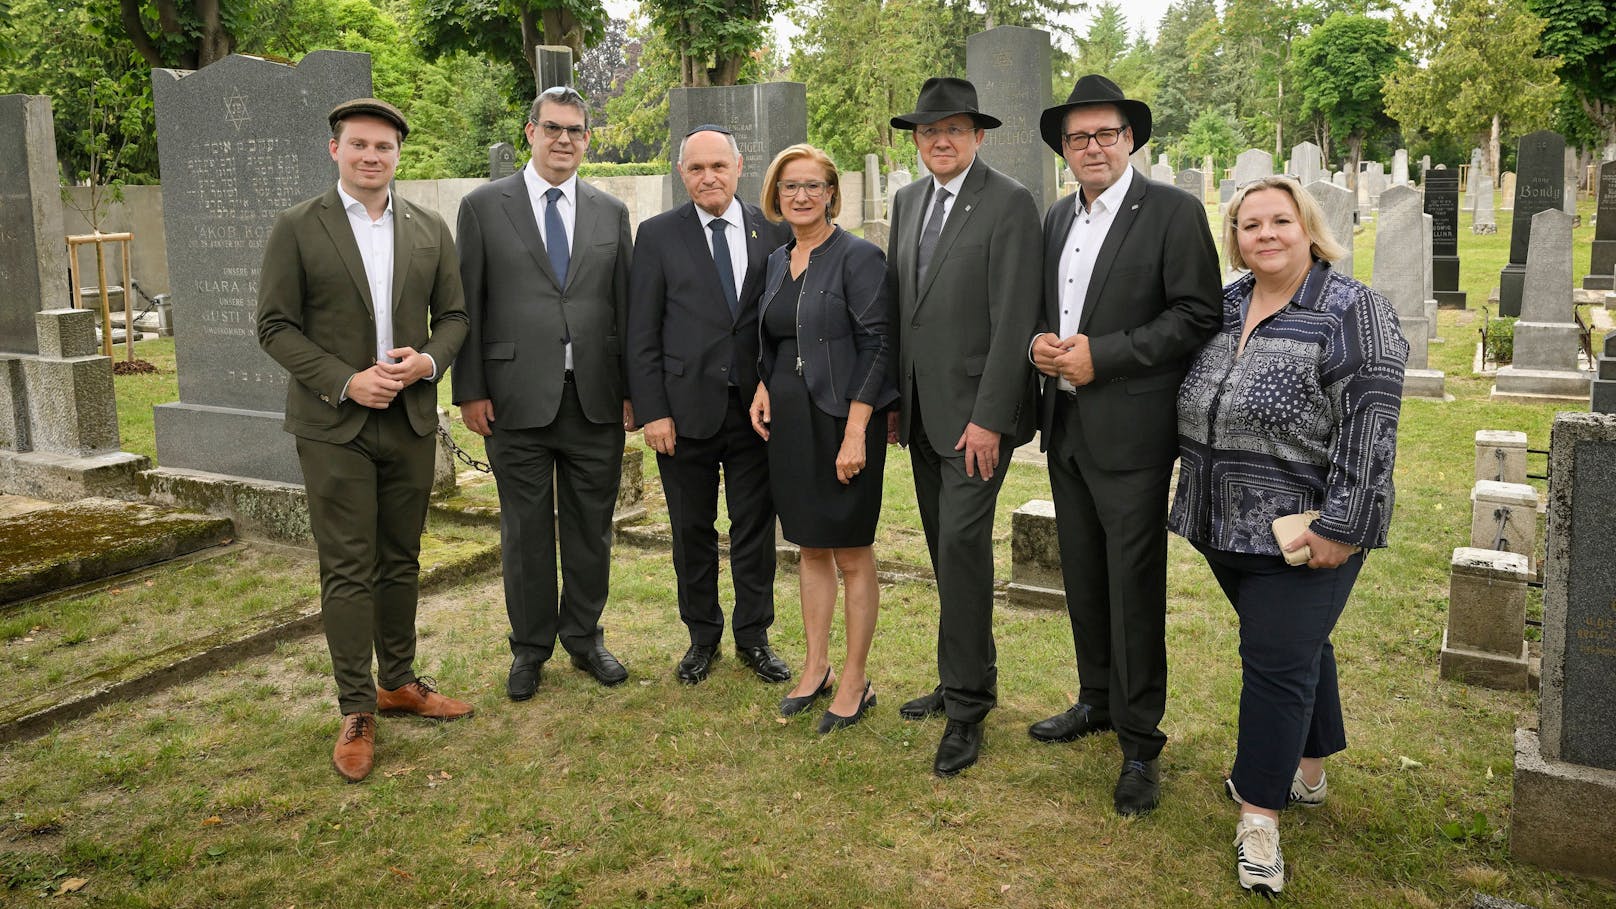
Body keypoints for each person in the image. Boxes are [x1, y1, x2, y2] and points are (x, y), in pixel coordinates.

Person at [1168, 175, 1406, 895]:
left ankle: (1260, 816)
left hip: (1304, 532)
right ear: (1234, 237)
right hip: (1219, 522)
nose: (1264, 234)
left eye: (1280, 221)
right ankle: (1309, 771)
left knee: (1272, 660)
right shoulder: (1226, 302)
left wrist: (1344, 524)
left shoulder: (1351, 310)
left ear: (1309, 226)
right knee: (1297, 648)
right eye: (1249, 224)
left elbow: (1373, 424)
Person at [258, 98, 472, 783]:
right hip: (335, 425)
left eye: (383, 147)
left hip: (408, 420)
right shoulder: (299, 226)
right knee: (348, 567)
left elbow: (457, 316)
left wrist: (427, 363)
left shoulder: (428, 227)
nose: (371, 156)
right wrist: (347, 381)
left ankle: (399, 680)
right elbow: (275, 326)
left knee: (401, 558)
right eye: (359, 145)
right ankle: (356, 707)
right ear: (336, 151)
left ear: (397, 156)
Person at [1026, 74, 1221, 815]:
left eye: (1107, 133)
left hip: (1133, 433)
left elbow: (1196, 314)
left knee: (1132, 585)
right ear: (1065, 150)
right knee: (1083, 574)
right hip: (1068, 427)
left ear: (1131, 139)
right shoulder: (1055, 219)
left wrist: (1101, 356)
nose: (1093, 147)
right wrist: (1041, 344)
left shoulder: (1171, 212)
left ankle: (1140, 742)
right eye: (1079, 138)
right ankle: (1096, 698)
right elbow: (1054, 308)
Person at [451, 86, 635, 701]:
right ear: (530, 132)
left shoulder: (611, 213)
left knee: (591, 527)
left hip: (594, 399)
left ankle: (584, 638)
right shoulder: (482, 207)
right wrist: (470, 390)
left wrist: (633, 392)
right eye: (552, 128)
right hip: (513, 399)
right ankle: (529, 648)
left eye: (576, 130)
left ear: (588, 139)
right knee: (525, 532)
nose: (564, 140)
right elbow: (467, 305)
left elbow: (624, 310)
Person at [885, 78, 1041, 776]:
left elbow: (1014, 319)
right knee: (945, 552)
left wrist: (988, 418)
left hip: (977, 420)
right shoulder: (906, 201)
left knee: (962, 545)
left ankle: (969, 708)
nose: (939, 140)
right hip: (920, 413)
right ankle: (960, 675)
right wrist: (894, 399)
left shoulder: (1008, 203)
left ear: (979, 135)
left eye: (952, 129)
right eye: (927, 131)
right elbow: (901, 308)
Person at [627, 126, 793, 686]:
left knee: (753, 528)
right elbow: (641, 331)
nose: (708, 177)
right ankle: (702, 636)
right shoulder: (656, 236)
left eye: (718, 166)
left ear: (739, 165)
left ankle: (754, 636)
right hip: (682, 411)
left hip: (756, 412)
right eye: (696, 169)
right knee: (690, 531)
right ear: (682, 174)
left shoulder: (772, 232)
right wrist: (653, 411)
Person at [747, 144, 896, 733]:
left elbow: (878, 344)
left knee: (852, 553)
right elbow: (777, 336)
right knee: (809, 547)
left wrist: (857, 430)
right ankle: (816, 667)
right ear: (776, 195)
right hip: (789, 423)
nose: (801, 196)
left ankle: (856, 679)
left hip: (842, 421)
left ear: (833, 193)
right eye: (790, 187)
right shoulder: (777, 258)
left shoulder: (859, 257)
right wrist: (763, 383)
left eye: (812, 186)